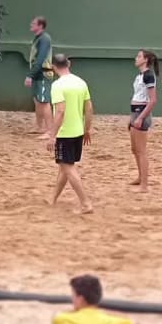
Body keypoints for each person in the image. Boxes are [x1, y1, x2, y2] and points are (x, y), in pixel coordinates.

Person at [47, 54, 93, 214]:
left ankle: (85, 203)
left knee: (68, 168)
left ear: (53, 67)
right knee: (65, 167)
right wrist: (87, 129)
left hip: (64, 133)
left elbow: (60, 111)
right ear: (69, 64)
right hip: (78, 132)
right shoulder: (81, 82)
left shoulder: (57, 86)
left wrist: (52, 135)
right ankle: (53, 198)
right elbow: (89, 109)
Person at [129, 49, 159, 193]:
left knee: (141, 151)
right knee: (134, 149)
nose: (136, 58)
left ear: (145, 60)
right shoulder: (140, 75)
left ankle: (144, 185)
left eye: (139, 56)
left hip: (141, 113)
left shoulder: (148, 75)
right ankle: (141, 177)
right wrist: (132, 118)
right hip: (135, 112)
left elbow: (153, 100)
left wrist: (140, 117)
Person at [25, 16, 54, 136]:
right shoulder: (38, 38)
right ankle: (39, 127)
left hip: (43, 73)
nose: (31, 25)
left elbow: (41, 58)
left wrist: (30, 75)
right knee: (37, 100)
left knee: (44, 101)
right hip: (38, 72)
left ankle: (50, 130)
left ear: (40, 26)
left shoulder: (44, 39)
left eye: (33, 24)